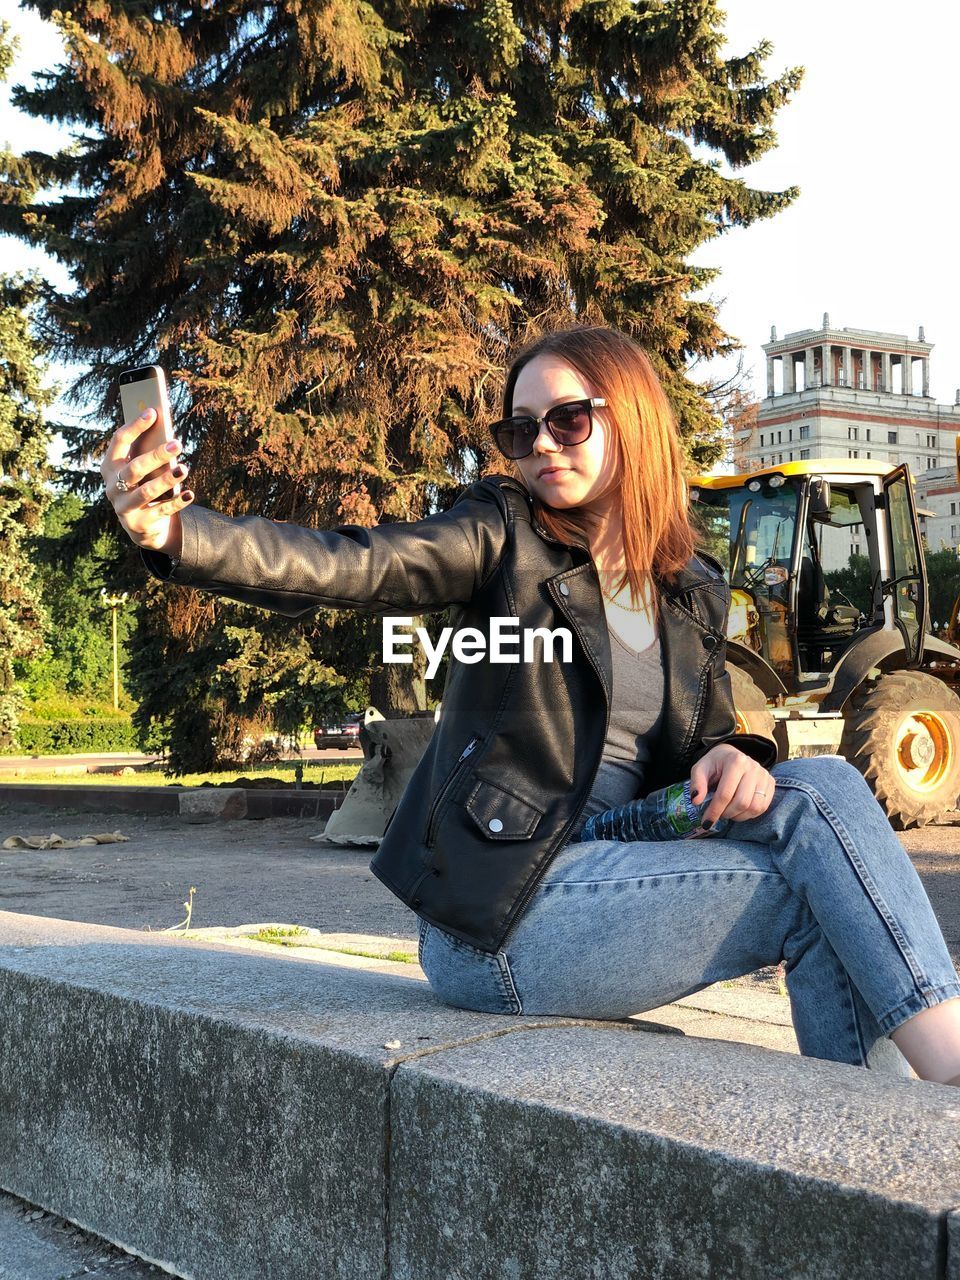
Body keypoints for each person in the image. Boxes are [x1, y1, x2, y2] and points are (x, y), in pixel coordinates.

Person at [101, 325, 960, 1085]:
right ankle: (948, 1073)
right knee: (824, 878)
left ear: (631, 417)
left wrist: (740, 754)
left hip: (623, 859)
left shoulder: (692, 589)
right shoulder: (500, 533)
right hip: (508, 914)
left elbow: (706, 746)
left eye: (569, 420)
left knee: (826, 794)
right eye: (521, 430)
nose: (542, 444)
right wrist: (176, 532)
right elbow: (352, 563)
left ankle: (877, 1122)